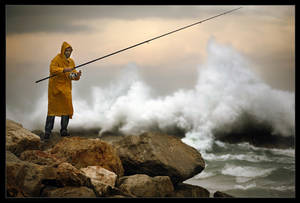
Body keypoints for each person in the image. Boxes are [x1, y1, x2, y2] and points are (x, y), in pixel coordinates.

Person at [44, 41, 82, 140]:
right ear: (63, 50)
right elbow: (52, 69)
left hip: (66, 90)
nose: (68, 52)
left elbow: (71, 75)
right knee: (52, 111)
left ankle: (64, 130)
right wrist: (64, 70)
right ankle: (47, 132)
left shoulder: (71, 62)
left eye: (70, 51)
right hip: (55, 89)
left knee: (66, 110)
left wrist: (76, 75)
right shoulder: (56, 59)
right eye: (67, 50)